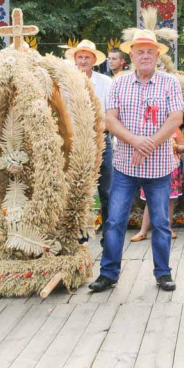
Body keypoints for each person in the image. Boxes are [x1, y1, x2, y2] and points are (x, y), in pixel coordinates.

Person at [88, 27, 184, 294]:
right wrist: (135, 141)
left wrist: (149, 143)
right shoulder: (119, 83)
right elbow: (109, 120)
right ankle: (108, 273)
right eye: (139, 52)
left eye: (149, 52)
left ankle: (163, 274)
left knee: (161, 223)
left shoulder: (170, 83)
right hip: (125, 166)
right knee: (115, 220)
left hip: (159, 166)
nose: (144, 56)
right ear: (131, 56)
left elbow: (176, 118)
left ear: (157, 56)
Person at [66, 40, 114, 229]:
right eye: (80, 57)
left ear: (94, 60)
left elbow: (111, 112)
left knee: (106, 187)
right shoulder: (65, 82)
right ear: (75, 59)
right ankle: (77, 230)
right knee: (76, 186)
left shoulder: (105, 83)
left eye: (87, 57)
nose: (83, 61)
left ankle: (109, 230)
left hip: (100, 139)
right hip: (74, 140)